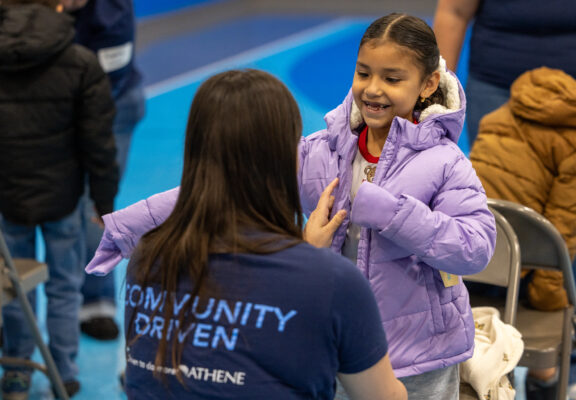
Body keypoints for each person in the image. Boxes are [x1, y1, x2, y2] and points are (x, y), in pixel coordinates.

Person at [87, 14, 497, 399]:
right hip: (334, 345)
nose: (373, 89)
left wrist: (392, 213)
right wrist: (129, 227)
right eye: (364, 73)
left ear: (427, 85)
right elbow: (229, 185)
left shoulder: (446, 162)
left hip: (418, 357)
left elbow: (475, 248)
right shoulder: (324, 151)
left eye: (392, 78)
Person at [88, 69, 408, 399]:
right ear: (285, 158)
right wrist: (313, 263)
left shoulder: (149, 254)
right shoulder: (333, 282)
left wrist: (306, 256)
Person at [433, 2, 576, 397]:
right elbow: (454, 12)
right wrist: (433, 99)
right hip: (497, 88)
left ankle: (573, 369)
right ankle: (490, 353)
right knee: (496, 221)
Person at [0, 0, 119, 398]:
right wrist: (104, 203)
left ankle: (15, 370)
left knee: (15, 284)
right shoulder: (80, 61)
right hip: (65, 197)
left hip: (8, 197)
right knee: (66, 285)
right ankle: (63, 371)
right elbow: (99, 143)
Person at [469, 67, 576, 400]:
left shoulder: (518, 104)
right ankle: (547, 383)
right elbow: (562, 231)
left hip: (460, 256)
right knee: (553, 304)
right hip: (510, 266)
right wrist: (550, 300)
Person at [60, 0, 145, 341]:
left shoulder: (112, 14)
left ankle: (96, 303)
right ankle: (12, 311)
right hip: (44, 108)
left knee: (93, 204)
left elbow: (104, 82)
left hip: (112, 106)